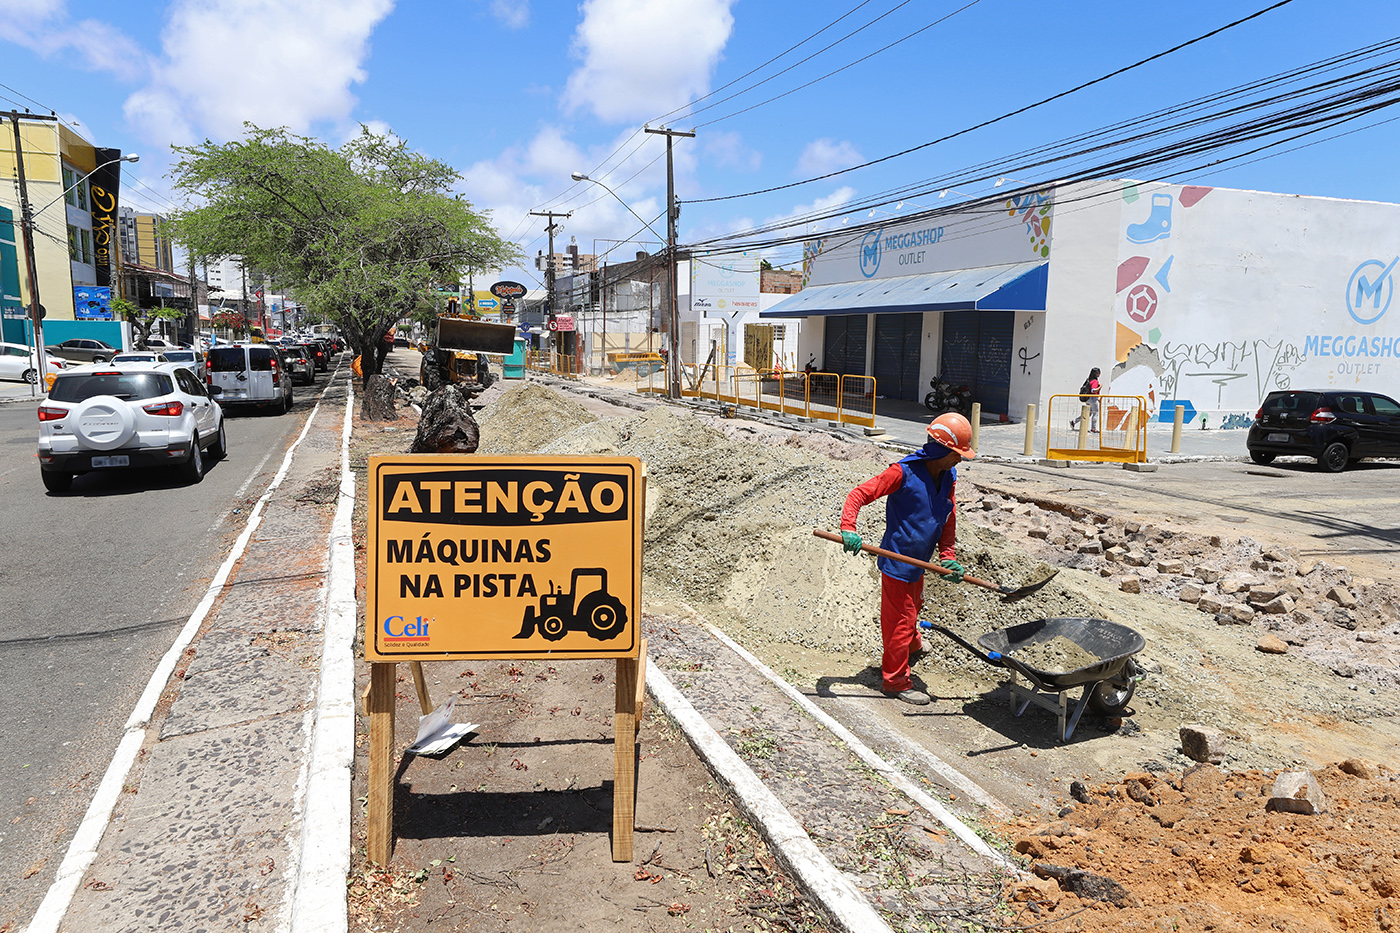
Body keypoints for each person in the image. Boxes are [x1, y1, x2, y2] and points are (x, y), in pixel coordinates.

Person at [838, 412, 976, 705]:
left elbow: (947, 517)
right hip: (898, 563)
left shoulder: (948, 476)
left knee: (913, 611)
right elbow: (859, 494)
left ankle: (911, 647)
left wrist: (948, 556)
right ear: (940, 450)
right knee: (899, 623)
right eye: (956, 453)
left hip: (919, 563)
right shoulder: (902, 473)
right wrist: (849, 528)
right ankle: (895, 681)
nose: (959, 459)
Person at [1070, 367, 1102, 432]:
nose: (1099, 374)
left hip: (1088, 399)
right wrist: (1100, 386)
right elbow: (1093, 390)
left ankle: (1074, 422)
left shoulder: (1089, 380)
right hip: (1093, 399)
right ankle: (1093, 428)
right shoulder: (1095, 381)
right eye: (1099, 373)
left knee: (1088, 414)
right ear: (1096, 373)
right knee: (1095, 413)